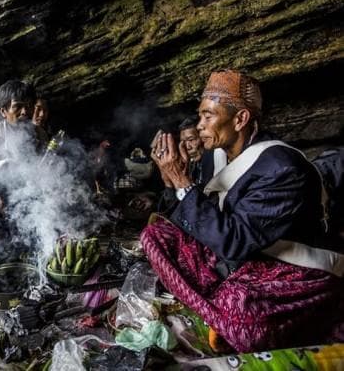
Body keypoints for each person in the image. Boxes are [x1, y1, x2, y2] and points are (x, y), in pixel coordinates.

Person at [141, 69, 344, 352]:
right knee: (155, 235)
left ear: (240, 119)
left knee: (243, 316)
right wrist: (172, 181)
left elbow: (234, 241)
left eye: (208, 116)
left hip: (296, 267)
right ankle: (219, 296)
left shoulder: (282, 169)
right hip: (245, 253)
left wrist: (183, 183)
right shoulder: (217, 156)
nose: (200, 126)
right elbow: (202, 220)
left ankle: (222, 301)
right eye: (200, 115)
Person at [0, 80, 48, 178]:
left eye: (28, 106)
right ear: (3, 111)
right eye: (18, 106)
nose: (24, 111)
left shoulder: (40, 134)